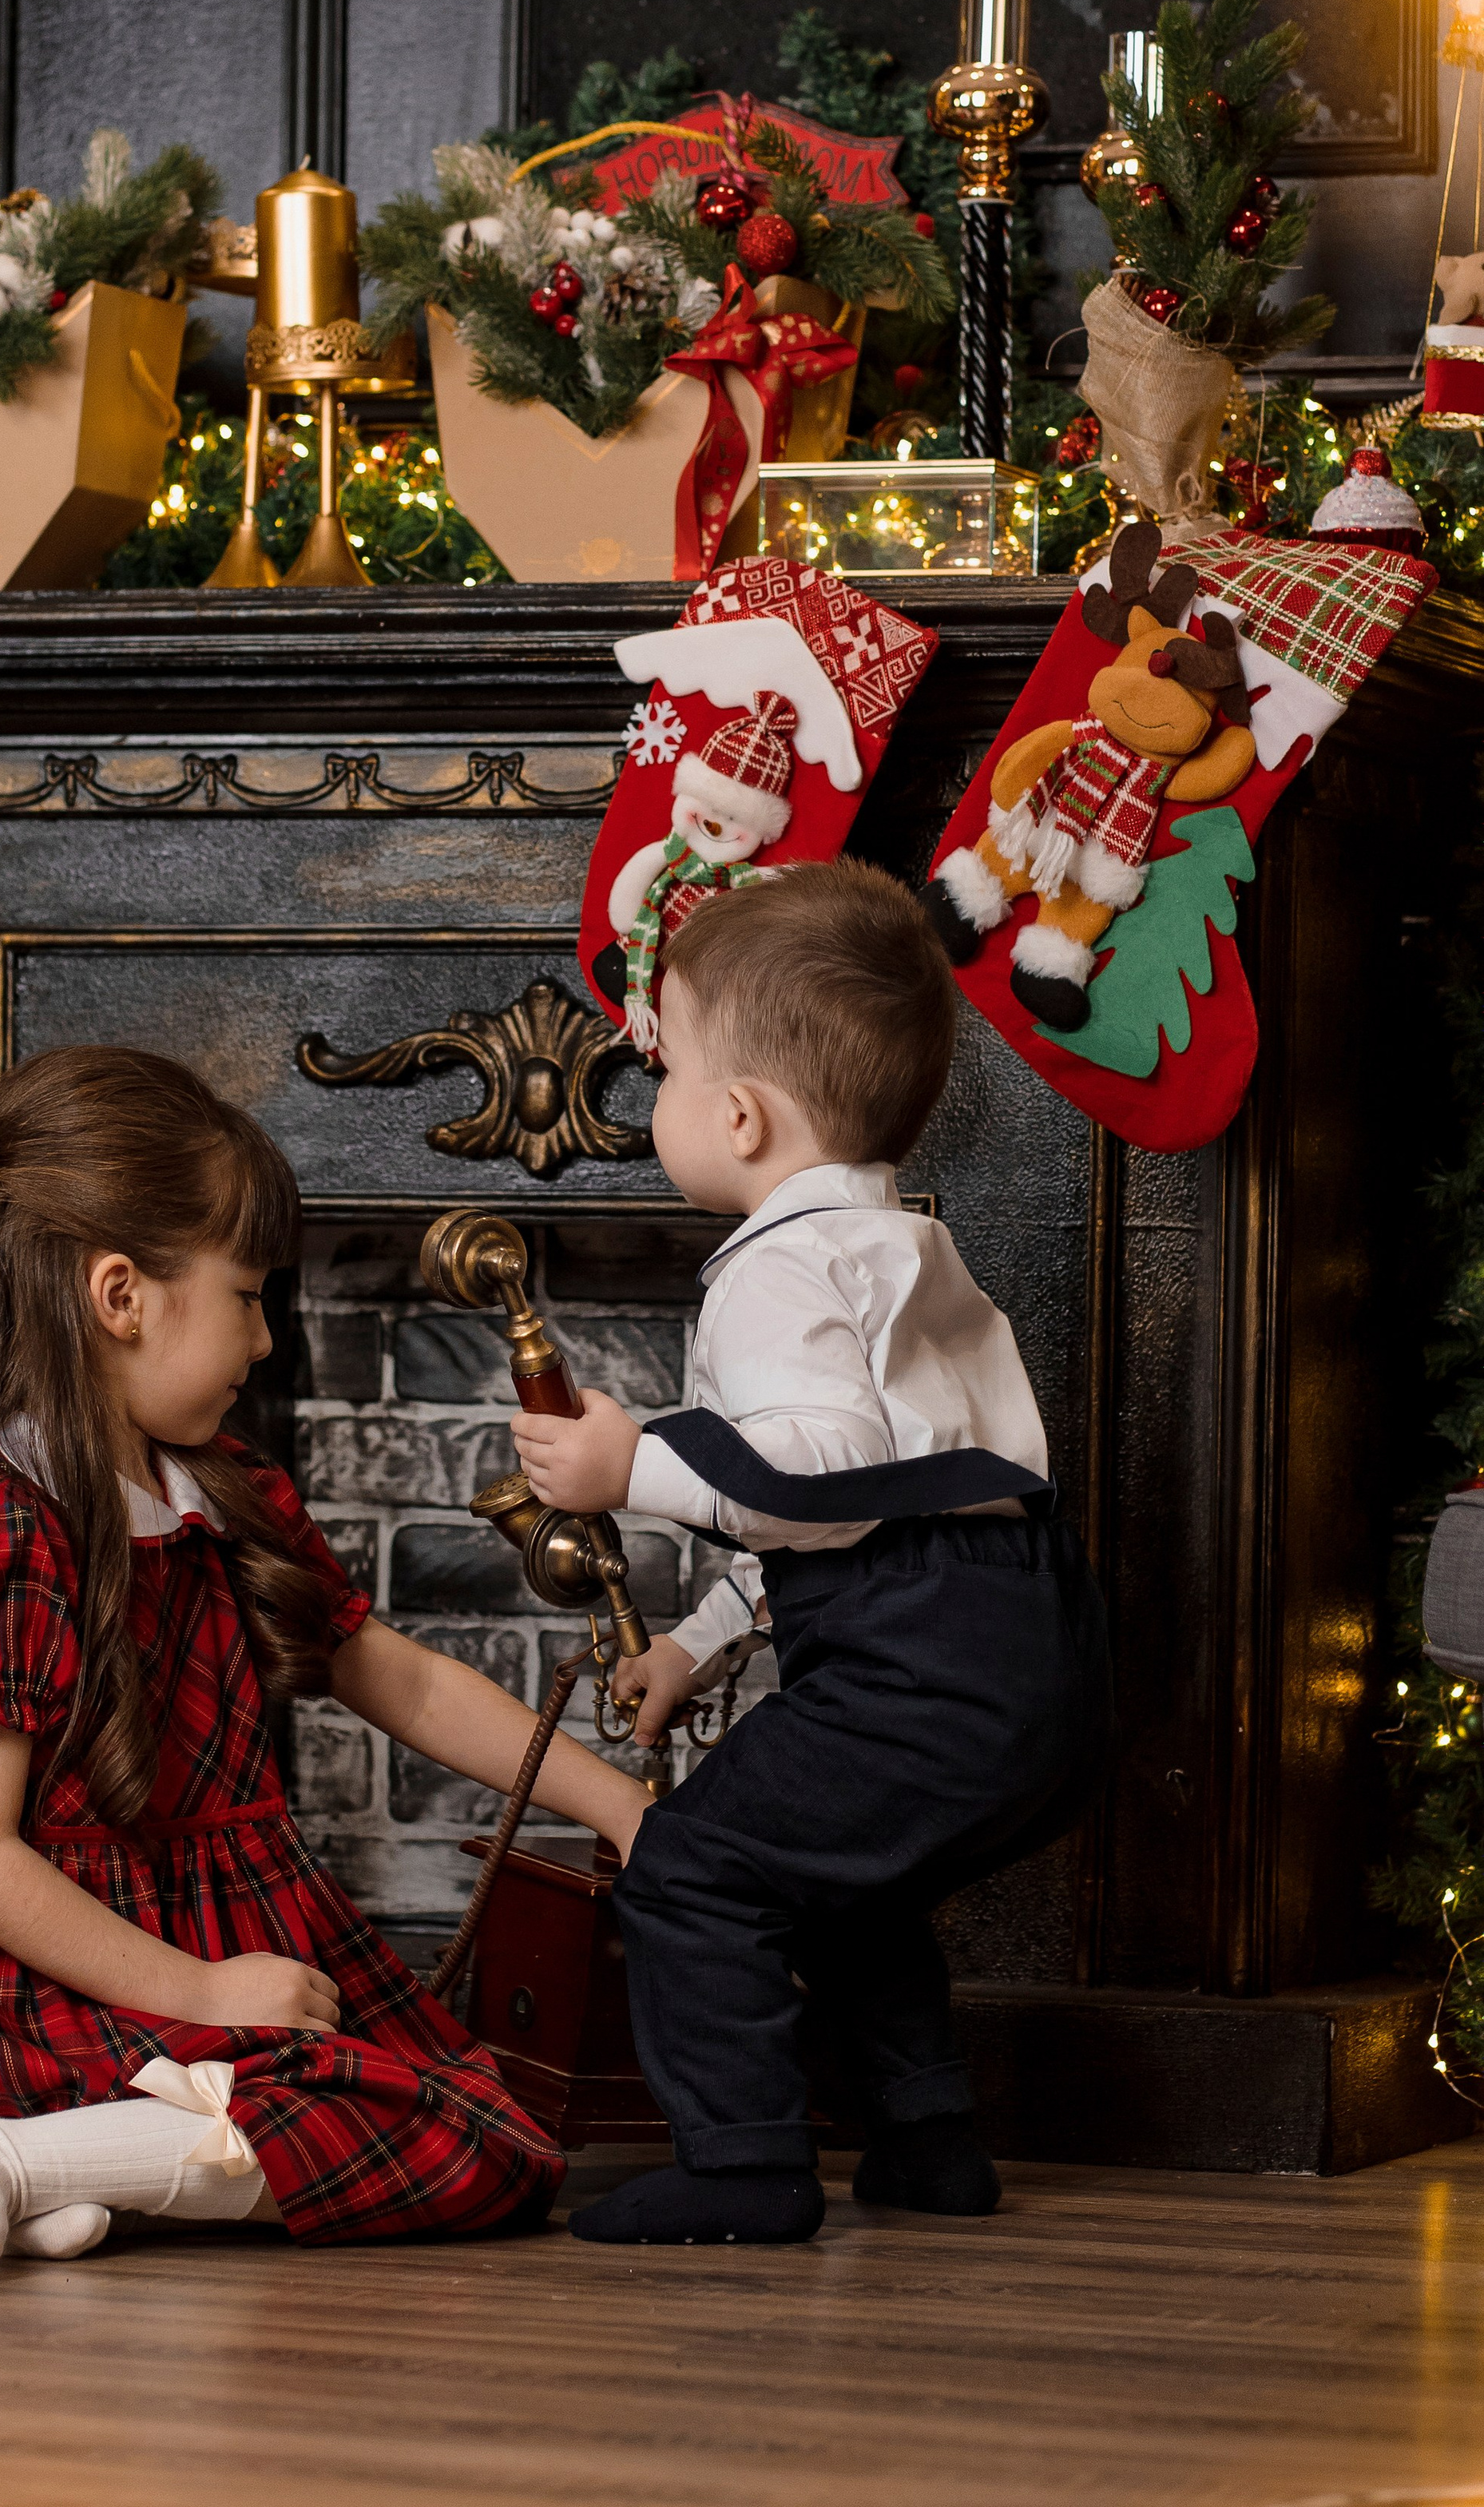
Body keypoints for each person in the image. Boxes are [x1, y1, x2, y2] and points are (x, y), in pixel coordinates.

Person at [0, 1045, 649, 2281]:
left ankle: (41, 2169)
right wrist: (203, 1989)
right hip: (31, 1968)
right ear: (121, 1294)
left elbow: (406, 1679)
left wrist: (621, 1806)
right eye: (250, 1294)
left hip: (214, 1928)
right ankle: (25, 2160)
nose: (263, 1338)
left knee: (482, 2140)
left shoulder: (225, 1493)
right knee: (425, 2142)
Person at [510, 860, 1112, 2247]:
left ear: (737, 1115)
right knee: (846, 1876)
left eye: (661, 1068)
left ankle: (744, 2164)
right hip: (1028, 1653)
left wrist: (631, 1464)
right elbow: (867, 1507)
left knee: (687, 1864)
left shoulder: (778, 1270)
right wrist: (694, 1642)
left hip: (923, 1665)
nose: (649, 1098)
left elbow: (812, 1478)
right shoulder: (905, 1249)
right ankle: (928, 2140)